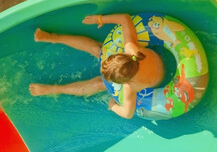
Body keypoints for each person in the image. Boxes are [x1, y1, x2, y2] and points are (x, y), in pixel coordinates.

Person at [29, 14, 165, 119]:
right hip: (154, 65)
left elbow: (127, 114)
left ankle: (54, 89)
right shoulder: (134, 50)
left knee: (101, 83)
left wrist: (113, 106)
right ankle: (54, 38)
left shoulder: (131, 87)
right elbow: (125, 18)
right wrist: (100, 19)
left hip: (157, 81)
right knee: (100, 53)